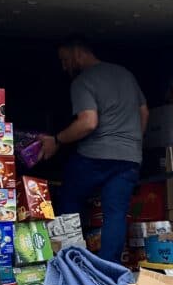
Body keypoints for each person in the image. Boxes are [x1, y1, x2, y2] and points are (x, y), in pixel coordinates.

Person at [39, 38, 148, 263]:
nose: (64, 66)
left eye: (65, 59)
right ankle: (109, 271)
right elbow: (144, 112)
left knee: (68, 195)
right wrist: (134, 142)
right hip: (129, 158)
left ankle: (72, 260)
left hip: (96, 156)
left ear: (79, 52)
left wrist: (56, 140)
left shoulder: (83, 81)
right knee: (115, 214)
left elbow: (88, 122)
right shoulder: (125, 74)